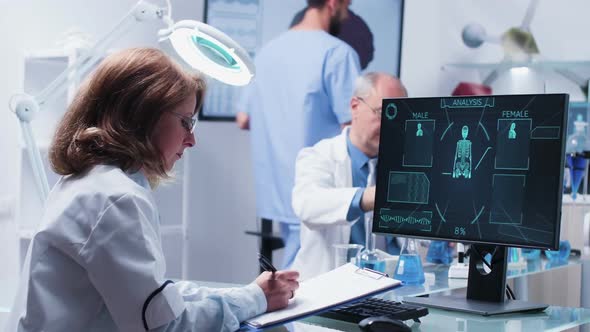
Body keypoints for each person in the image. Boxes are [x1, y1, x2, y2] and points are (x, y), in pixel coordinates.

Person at [7, 48, 299, 332]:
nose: (191, 140)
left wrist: (245, 295)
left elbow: (153, 297)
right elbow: (165, 325)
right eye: (186, 122)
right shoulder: (114, 198)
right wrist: (255, 298)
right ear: (142, 114)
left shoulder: (90, 183)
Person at [235, 0, 360, 270]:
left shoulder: (266, 52)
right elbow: (354, 126)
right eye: (347, 7)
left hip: (276, 191)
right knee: (305, 282)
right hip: (317, 190)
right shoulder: (337, 54)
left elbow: (243, 119)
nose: (347, 16)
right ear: (332, 4)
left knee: (294, 271)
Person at [290, 72, 408, 280]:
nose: (392, 125)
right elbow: (307, 204)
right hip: (326, 286)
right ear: (355, 107)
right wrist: (368, 198)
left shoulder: (405, 163)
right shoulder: (319, 156)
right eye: (383, 112)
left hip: (386, 287)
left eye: (399, 117)